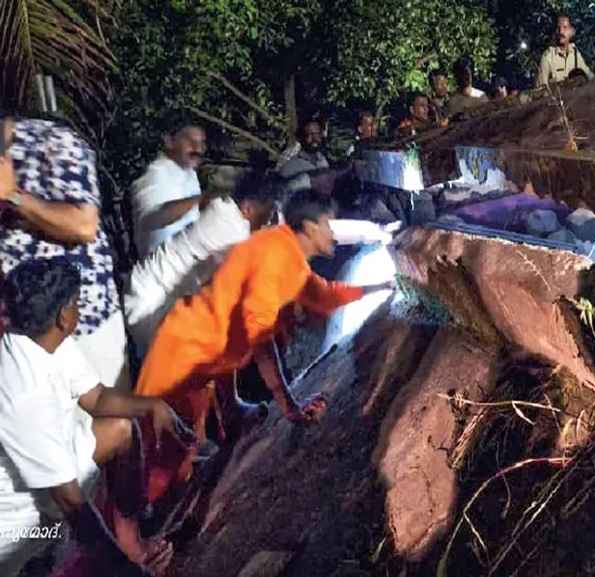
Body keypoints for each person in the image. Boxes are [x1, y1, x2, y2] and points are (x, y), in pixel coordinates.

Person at [134, 188, 394, 504]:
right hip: (184, 355)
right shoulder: (274, 258)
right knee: (163, 463)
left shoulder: (289, 256)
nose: (332, 232)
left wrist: (380, 286)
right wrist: (290, 406)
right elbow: (260, 341)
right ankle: (129, 535)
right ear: (310, 228)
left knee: (177, 449)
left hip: (201, 349)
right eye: (328, 224)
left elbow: (324, 294)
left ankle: (221, 425)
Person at [0, 258, 192, 577]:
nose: (80, 309)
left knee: (120, 430)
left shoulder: (43, 339)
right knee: (49, 551)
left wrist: (153, 406)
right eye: (77, 303)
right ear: (63, 316)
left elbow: (98, 398)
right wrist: (127, 573)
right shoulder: (23, 394)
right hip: (15, 520)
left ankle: (131, 541)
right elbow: (72, 504)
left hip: (51, 473)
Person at [0, 114, 130, 391]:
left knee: (112, 418)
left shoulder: (55, 142)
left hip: (85, 325)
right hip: (25, 334)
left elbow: (84, 225)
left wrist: (13, 196)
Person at [124, 172, 278, 356]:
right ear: (247, 208)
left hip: (147, 289)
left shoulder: (222, 206)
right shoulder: (236, 231)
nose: (266, 223)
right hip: (151, 305)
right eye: (266, 217)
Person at [131, 120, 206, 258]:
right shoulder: (155, 175)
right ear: (169, 141)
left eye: (201, 143)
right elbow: (155, 218)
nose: (198, 149)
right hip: (163, 269)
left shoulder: (190, 174)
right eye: (190, 141)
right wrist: (201, 200)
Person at [536, 15, 594, 88]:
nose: (561, 31)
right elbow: (541, 89)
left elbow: (589, 76)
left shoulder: (575, 52)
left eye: (565, 27)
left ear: (572, 31)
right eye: (558, 28)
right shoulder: (548, 56)